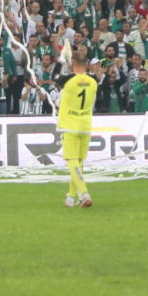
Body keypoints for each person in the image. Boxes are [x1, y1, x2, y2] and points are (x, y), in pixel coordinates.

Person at [56, 40, 98, 208]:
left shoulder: (68, 80)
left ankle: (85, 194)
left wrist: (62, 58)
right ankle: (71, 197)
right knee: (79, 162)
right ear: (87, 65)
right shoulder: (94, 81)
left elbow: (54, 77)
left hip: (70, 125)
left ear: (72, 64)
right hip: (85, 125)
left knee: (71, 161)